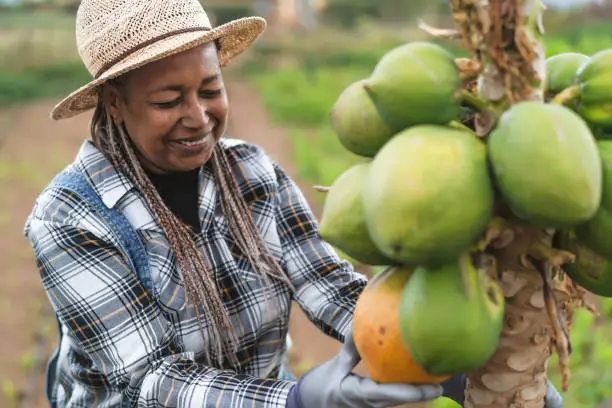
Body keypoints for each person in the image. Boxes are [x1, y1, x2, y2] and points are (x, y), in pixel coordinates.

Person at [23, 0, 563, 407]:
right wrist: (301, 400)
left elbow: (326, 284)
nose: (198, 116)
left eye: (210, 90)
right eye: (169, 100)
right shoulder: (70, 217)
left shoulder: (250, 170)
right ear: (115, 104)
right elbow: (152, 378)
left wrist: (435, 353)